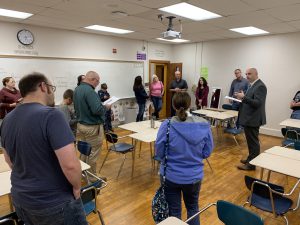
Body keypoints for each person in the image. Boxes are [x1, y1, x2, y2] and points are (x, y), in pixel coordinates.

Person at [0, 72, 87, 225]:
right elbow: (71, 165)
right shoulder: (52, 115)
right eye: (52, 88)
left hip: (21, 200)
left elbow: (9, 161)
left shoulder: (7, 119)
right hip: (54, 203)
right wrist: (77, 187)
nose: (53, 93)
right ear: (43, 87)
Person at [155, 92, 213, 225]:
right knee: (193, 209)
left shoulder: (167, 125)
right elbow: (207, 152)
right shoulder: (204, 124)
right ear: (189, 105)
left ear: (173, 106)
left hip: (171, 176)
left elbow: (159, 152)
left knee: (174, 212)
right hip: (194, 176)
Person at [74, 71, 109, 180]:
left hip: (80, 126)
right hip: (92, 128)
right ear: (93, 79)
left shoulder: (77, 89)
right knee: (93, 153)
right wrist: (106, 107)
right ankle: (93, 178)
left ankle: (83, 174)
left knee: (84, 151)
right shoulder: (90, 91)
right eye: (97, 82)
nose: (97, 85)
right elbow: (97, 109)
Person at [235, 68, 267, 171]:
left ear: (256, 74)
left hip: (253, 119)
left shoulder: (260, 86)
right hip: (249, 118)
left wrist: (243, 98)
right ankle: (250, 159)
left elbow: (257, 103)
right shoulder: (252, 85)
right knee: (250, 142)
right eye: (246, 74)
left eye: (249, 74)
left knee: (253, 143)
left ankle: (251, 165)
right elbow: (251, 100)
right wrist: (242, 97)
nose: (247, 76)